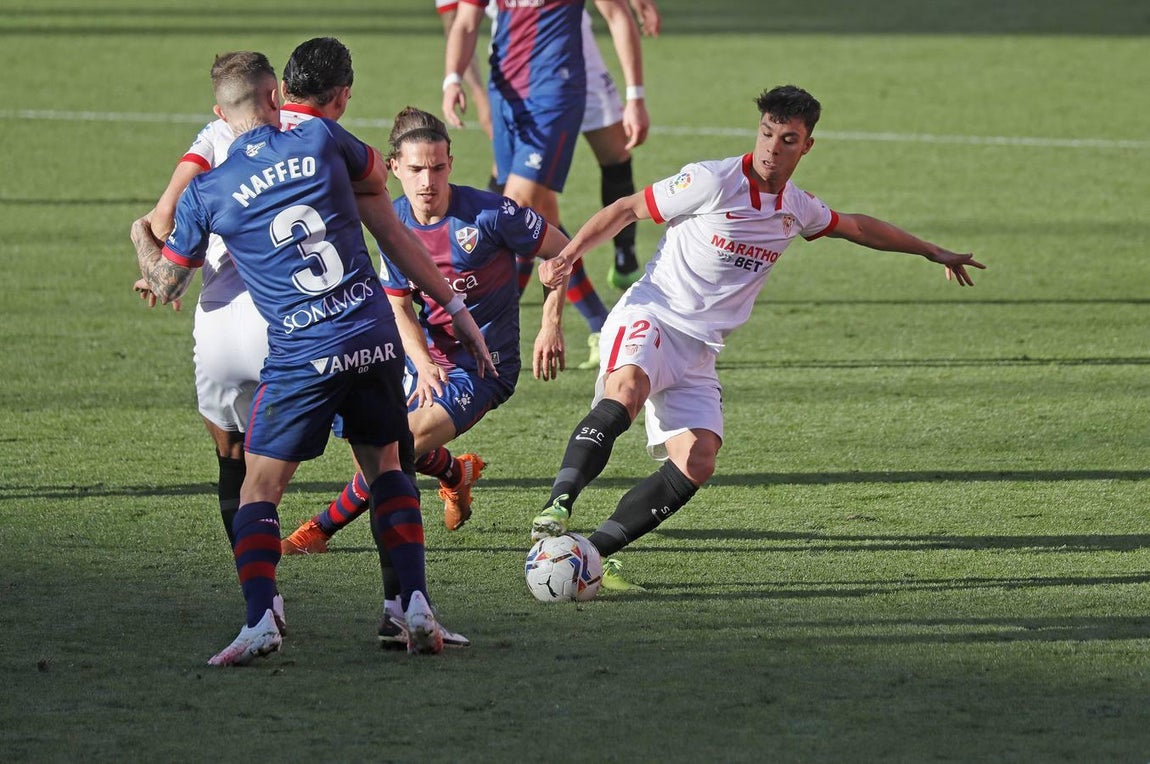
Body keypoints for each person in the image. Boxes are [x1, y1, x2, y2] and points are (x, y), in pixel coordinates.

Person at [529, 85, 987, 590]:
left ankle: (592, 553)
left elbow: (856, 226)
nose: (773, 147)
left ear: (806, 145)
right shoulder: (711, 180)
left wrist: (931, 251)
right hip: (654, 314)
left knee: (699, 459)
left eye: (788, 139)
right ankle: (558, 504)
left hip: (700, 349)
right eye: (767, 133)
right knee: (627, 389)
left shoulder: (796, 209)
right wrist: (569, 255)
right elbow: (626, 209)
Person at [131, 50, 493, 663]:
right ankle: (415, 607)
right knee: (389, 472)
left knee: (258, 490)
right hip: (375, 335)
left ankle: (260, 621)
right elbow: (378, 184)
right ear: (276, 97)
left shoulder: (207, 191)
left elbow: (164, 285)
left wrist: (141, 237)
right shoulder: (325, 137)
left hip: (304, 350)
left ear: (221, 114)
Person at [282, 106, 571, 565]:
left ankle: (319, 529)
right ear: (393, 167)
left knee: (395, 448)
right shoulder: (390, 221)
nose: (427, 182)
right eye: (416, 169)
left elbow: (564, 250)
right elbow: (398, 303)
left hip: (484, 367)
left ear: (451, 164)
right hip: (425, 358)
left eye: (437, 168)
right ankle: (457, 472)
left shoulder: (491, 214)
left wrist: (550, 322)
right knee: (370, 451)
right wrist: (422, 363)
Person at [442, 0, 650, 370]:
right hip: (505, 91)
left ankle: (491, 327)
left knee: (515, 208)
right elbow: (464, 23)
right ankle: (600, 324)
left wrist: (635, 97)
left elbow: (617, 15)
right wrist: (452, 79)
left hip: (555, 93)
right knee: (542, 217)